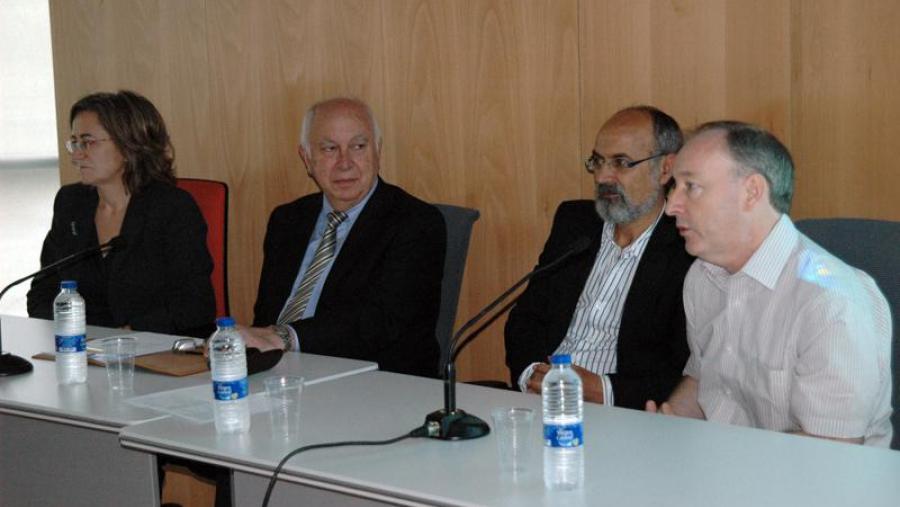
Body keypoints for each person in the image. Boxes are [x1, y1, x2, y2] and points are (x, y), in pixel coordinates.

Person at [648, 121, 893, 446]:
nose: (671, 207)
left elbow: (833, 453)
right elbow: (704, 379)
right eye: (673, 187)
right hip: (726, 469)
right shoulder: (703, 276)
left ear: (751, 192)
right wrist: (667, 429)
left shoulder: (831, 301)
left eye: (691, 187)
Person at [239, 97, 446, 377]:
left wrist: (284, 338)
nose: (345, 162)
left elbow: (379, 322)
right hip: (279, 378)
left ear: (378, 151)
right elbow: (266, 318)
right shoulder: (287, 220)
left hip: (373, 384)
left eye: (358, 147)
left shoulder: (416, 223)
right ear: (307, 158)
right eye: (329, 149)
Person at [504, 106, 694, 409]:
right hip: (540, 402)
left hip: (625, 416)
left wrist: (603, 390)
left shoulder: (688, 245)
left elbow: (686, 369)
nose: (604, 176)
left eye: (621, 163)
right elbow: (526, 319)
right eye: (598, 161)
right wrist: (532, 376)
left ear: (665, 169)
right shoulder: (575, 223)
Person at [27, 90, 215, 338]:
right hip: (85, 350)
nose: (76, 155)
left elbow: (195, 304)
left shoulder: (172, 207)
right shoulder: (70, 203)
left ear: (128, 146)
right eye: (74, 142)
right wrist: (79, 336)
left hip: (157, 352)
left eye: (88, 142)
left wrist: (124, 338)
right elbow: (42, 294)